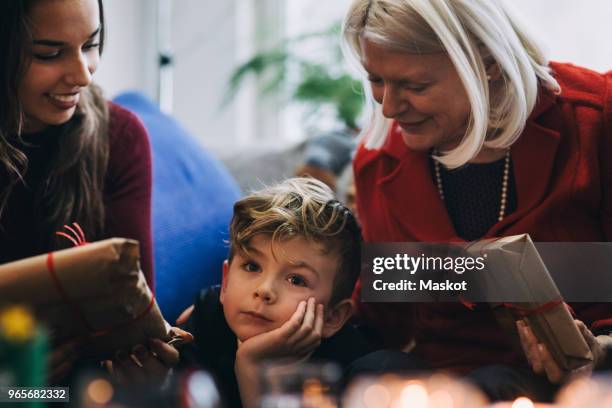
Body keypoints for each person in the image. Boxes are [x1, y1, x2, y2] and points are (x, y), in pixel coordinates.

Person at [342, 0, 612, 402]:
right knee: (369, 370)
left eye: (415, 86)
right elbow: (384, 315)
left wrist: (602, 350)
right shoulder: (378, 163)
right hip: (446, 385)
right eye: (376, 79)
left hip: (586, 380)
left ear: (488, 63)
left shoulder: (595, 119)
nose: (389, 107)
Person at [0, 0, 161, 382]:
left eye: (91, 45)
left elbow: (137, 314)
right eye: (49, 53)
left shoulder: (118, 138)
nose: (83, 74)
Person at [171, 177, 370, 408]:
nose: (264, 290)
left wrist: (252, 368)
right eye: (252, 266)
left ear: (333, 316)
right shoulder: (206, 322)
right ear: (225, 283)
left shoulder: (359, 383)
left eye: (296, 280)